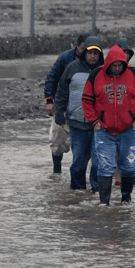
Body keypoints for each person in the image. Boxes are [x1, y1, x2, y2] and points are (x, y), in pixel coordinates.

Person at [82, 44, 135, 205]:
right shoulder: (96, 74)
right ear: (109, 64)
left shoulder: (134, 74)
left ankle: (126, 199)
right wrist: (95, 122)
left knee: (128, 165)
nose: (118, 68)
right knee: (105, 165)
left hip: (128, 130)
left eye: (121, 65)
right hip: (104, 131)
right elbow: (86, 100)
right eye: (115, 65)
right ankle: (104, 203)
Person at [54, 36, 103, 192]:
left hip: (99, 125)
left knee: (97, 161)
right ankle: (77, 192)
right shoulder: (72, 67)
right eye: (90, 53)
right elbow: (61, 91)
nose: (93, 56)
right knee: (79, 161)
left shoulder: (104, 70)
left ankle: (97, 191)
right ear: (84, 53)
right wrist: (59, 112)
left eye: (96, 53)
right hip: (76, 122)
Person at [45, 33, 88, 174]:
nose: (87, 53)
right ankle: (56, 171)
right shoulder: (65, 58)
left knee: (83, 144)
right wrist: (49, 101)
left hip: (85, 107)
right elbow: (52, 78)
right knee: (57, 140)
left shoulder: (96, 62)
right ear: (77, 47)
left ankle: (79, 173)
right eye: (83, 49)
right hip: (63, 103)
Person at [112, 37, 135, 188]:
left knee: (125, 153)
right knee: (112, 153)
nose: (125, 56)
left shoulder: (133, 73)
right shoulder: (105, 72)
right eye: (123, 52)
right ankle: (116, 179)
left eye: (128, 53)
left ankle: (123, 181)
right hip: (110, 120)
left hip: (127, 121)